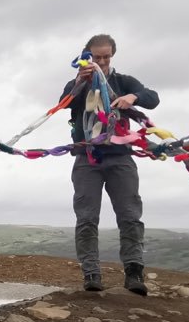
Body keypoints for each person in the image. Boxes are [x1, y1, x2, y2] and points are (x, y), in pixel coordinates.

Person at [61, 34, 160, 296]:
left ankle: (134, 272)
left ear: (112, 56)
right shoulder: (77, 82)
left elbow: (152, 97)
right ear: (87, 56)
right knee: (86, 217)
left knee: (130, 215)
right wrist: (80, 83)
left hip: (120, 157)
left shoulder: (123, 81)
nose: (102, 62)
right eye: (97, 57)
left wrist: (132, 97)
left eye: (106, 57)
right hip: (86, 158)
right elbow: (64, 103)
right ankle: (91, 273)